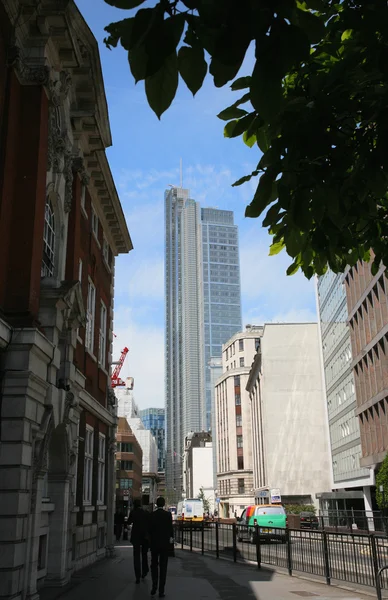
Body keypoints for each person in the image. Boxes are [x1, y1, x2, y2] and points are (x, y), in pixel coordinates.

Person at [148, 497, 174, 598]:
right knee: (163, 567)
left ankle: (154, 586)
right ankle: (161, 590)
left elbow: (149, 529)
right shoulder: (167, 515)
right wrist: (171, 538)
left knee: (154, 565)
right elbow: (170, 529)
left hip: (154, 544)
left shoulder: (152, 515)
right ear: (163, 505)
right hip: (164, 544)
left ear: (156, 504)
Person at [128, 499, 150, 584]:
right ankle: (145, 571)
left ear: (134, 505)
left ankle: (137, 576)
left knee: (136, 556)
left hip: (136, 536)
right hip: (144, 537)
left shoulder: (133, 512)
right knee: (144, 554)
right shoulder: (146, 513)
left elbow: (129, 522)